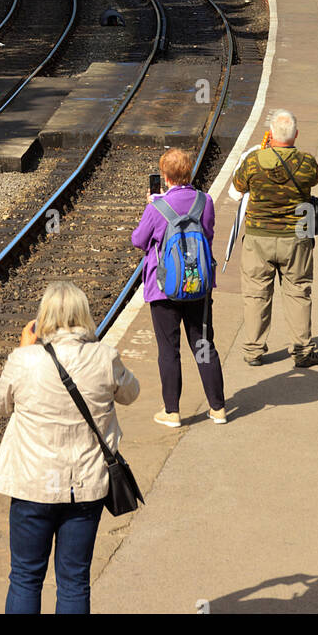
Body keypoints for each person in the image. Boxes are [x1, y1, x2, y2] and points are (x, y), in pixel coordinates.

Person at [0, 279, 139, 614]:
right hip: (84, 489)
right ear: (84, 315)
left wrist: (24, 348)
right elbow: (131, 393)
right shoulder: (104, 356)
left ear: (43, 318)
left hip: (32, 487)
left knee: (26, 577)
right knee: (74, 580)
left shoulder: (25, 360)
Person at [131, 147, 225, 428]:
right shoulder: (204, 201)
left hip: (164, 289)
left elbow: (138, 240)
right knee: (204, 344)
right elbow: (207, 233)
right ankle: (218, 408)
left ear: (165, 177)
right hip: (199, 286)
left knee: (169, 349)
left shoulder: (156, 207)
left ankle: (172, 411)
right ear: (188, 173)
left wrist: (152, 205)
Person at [232, 109, 318, 367]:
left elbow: (239, 187)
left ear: (270, 135)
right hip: (296, 239)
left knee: (256, 293)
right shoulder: (306, 162)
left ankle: (253, 351)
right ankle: (303, 350)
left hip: (258, 238)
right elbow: (314, 180)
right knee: (298, 292)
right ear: (296, 134)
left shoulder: (253, 161)